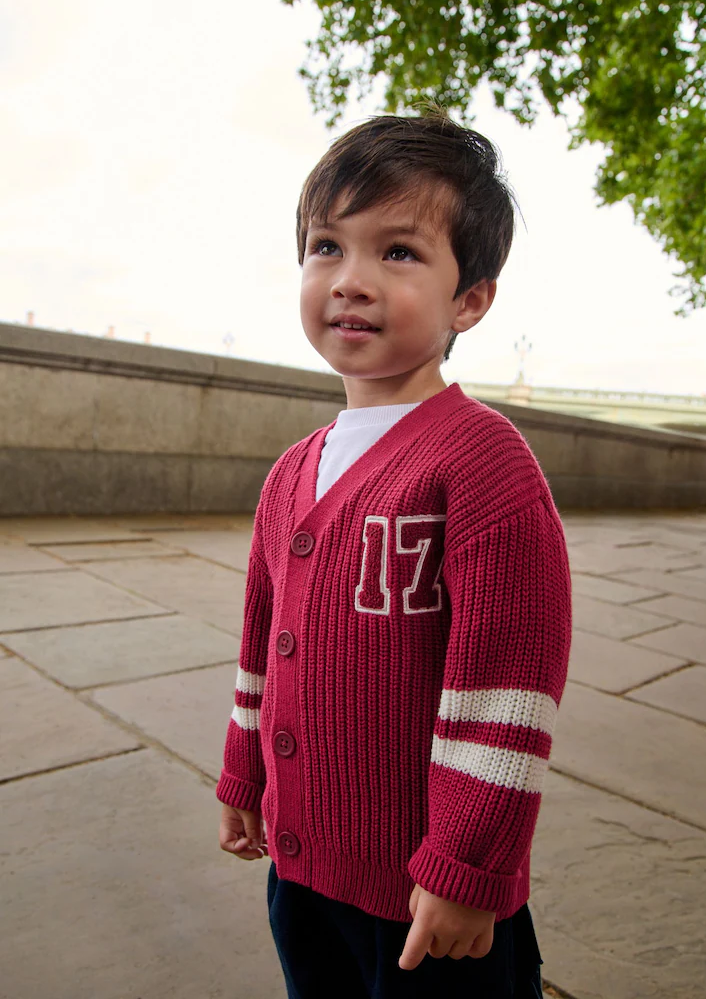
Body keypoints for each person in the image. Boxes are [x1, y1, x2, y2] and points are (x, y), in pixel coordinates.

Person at [217, 108, 572, 998]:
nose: (351, 280)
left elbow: (507, 688)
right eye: (327, 247)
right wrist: (244, 768)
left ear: (471, 299)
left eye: (398, 253)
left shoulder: (482, 461)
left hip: (428, 903)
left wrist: (465, 867)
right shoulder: (291, 472)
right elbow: (261, 647)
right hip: (302, 871)